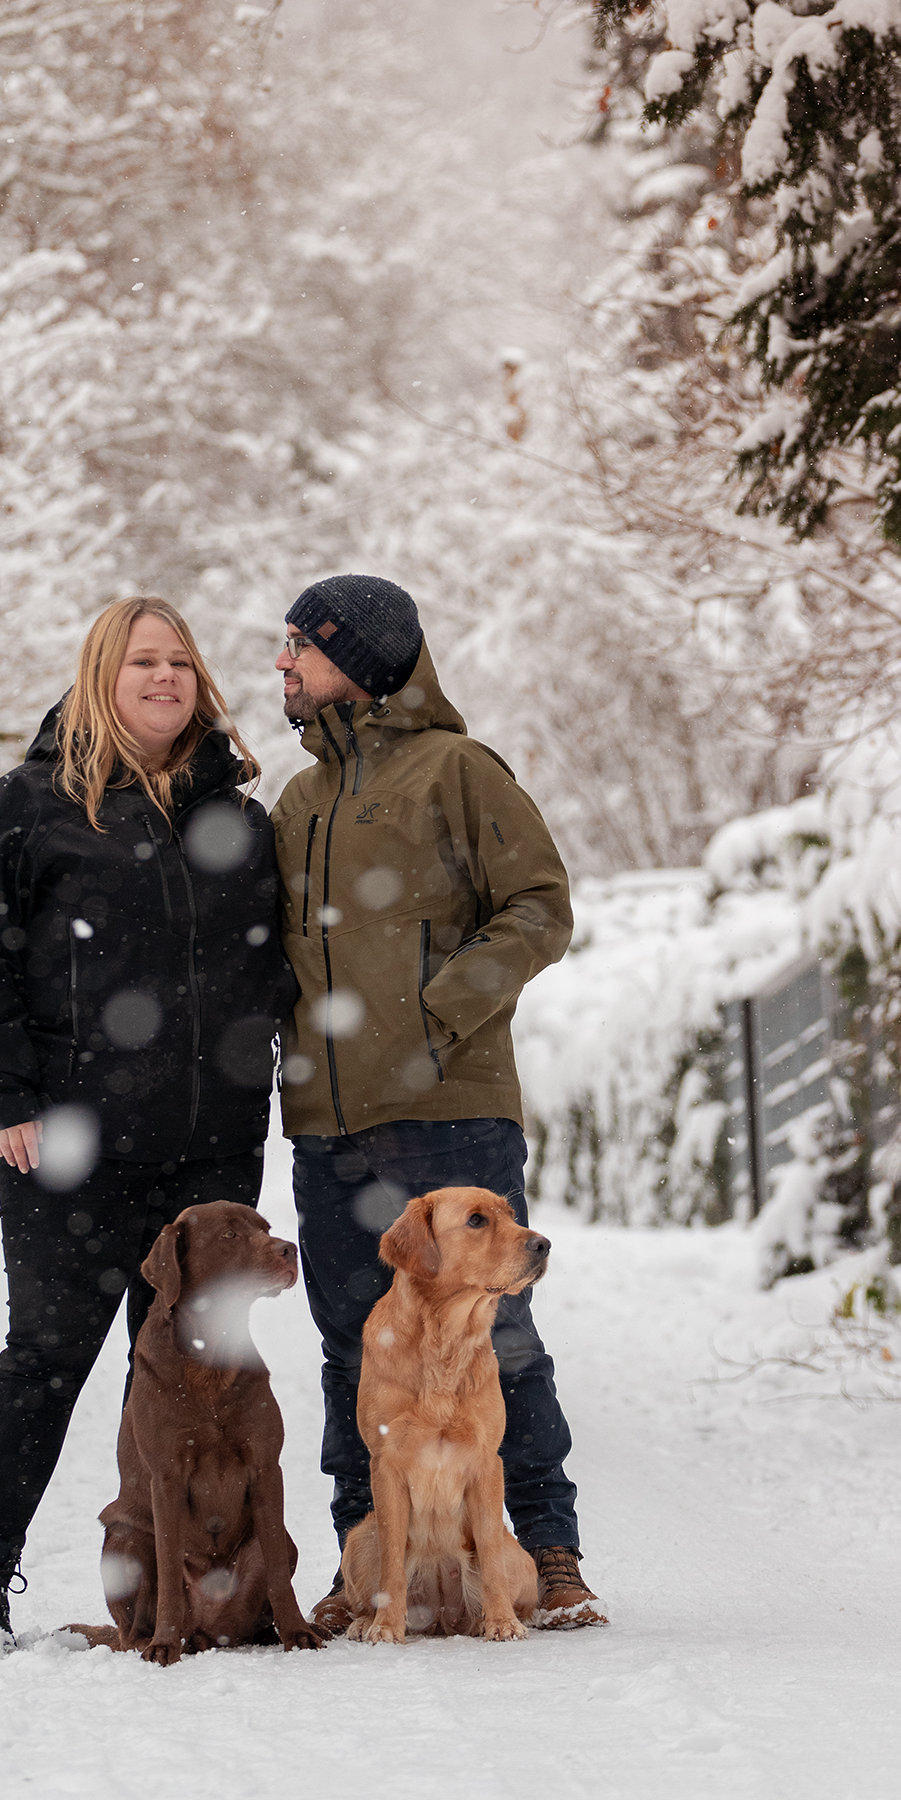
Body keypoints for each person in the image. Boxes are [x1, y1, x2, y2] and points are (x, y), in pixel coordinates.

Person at [0, 596, 294, 1665]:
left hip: (209, 1152)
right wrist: (7, 1097)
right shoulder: (25, 808)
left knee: (199, 1376)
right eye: (142, 661)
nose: (164, 678)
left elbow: (272, 967)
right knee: (44, 1357)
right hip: (69, 1149)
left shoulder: (238, 817)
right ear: (100, 675)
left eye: (179, 661)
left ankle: (185, 1592)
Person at [270, 573, 605, 1631]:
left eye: (298, 648)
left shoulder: (456, 770)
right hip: (329, 1124)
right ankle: (364, 1562)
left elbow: (538, 905)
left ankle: (545, 1554)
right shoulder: (295, 801)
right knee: (346, 1344)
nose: (280, 664)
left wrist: (433, 1011)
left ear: (358, 663)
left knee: (495, 1336)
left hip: (449, 1104)